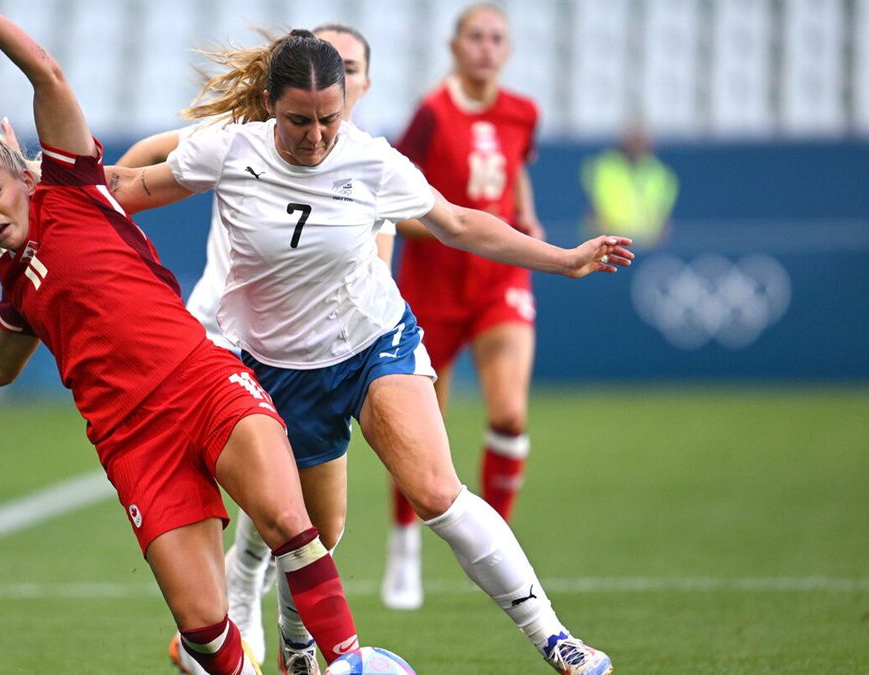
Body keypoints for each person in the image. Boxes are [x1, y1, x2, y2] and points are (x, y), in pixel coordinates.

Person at [0, 3, 363, 674]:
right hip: (133, 442)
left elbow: (45, 73)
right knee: (202, 626)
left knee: (291, 522)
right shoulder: (17, 284)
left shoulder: (74, 188)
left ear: (23, 176)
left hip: (202, 383)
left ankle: (349, 663)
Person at [104, 27, 629, 675]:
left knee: (437, 491)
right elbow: (126, 187)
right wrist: (37, 179)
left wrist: (565, 259)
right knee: (316, 532)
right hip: (278, 371)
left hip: (374, 344)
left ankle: (557, 639)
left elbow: (460, 223)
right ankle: (295, 642)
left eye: (328, 119)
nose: (316, 137)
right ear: (270, 103)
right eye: (300, 121)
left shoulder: (371, 159)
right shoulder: (228, 150)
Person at [111, 25, 385, 673]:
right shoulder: (248, 140)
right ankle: (254, 627)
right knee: (277, 504)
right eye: (324, 62)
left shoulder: (374, 165)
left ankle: (260, 623)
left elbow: (378, 267)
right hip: (226, 342)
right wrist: (100, 182)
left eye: (346, 66)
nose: (329, 78)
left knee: (320, 520)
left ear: (357, 85)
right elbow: (155, 159)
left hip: (316, 348)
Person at [385, 2, 541, 612]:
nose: (486, 47)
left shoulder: (524, 112)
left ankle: (493, 544)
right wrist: (456, 228)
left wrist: (522, 215)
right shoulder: (430, 114)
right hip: (434, 287)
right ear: (455, 46)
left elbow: (515, 170)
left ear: (507, 49)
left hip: (499, 280)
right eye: (475, 36)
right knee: (422, 433)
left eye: (496, 37)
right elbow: (398, 197)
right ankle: (404, 546)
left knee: (508, 414)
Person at [581, 122, 678, 248]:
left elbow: (664, 217)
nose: (637, 143)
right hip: (610, 247)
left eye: (641, 138)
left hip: (649, 247)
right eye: (633, 137)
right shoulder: (601, 167)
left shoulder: (661, 173)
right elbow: (592, 211)